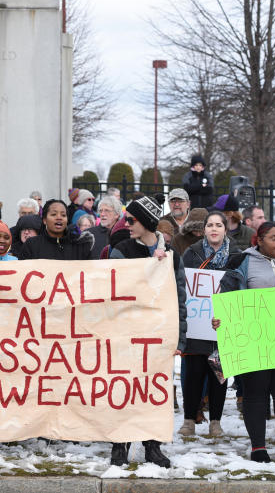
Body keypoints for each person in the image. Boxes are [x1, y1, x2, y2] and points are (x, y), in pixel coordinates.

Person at [215, 221, 275, 466]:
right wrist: (220, 319)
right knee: (255, 395)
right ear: (259, 240)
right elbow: (225, 299)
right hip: (255, 343)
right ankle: (258, 446)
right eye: (274, 238)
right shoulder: (242, 264)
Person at [108, 196, 186, 468]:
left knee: (154, 390)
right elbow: (112, 293)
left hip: (158, 335)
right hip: (126, 334)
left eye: (131, 220)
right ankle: (120, 444)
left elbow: (179, 298)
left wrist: (180, 338)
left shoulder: (172, 255)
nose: (126, 224)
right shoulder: (121, 250)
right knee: (124, 388)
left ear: (148, 223)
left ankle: (152, 445)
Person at [179, 211, 231, 438]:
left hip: (223, 326)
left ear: (225, 229)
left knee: (219, 375)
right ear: (204, 229)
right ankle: (189, 419)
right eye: (210, 225)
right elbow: (182, 282)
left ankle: (216, 422)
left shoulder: (236, 256)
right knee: (193, 375)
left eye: (218, 225)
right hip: (197, 327)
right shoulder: (192, 254)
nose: (214, 229)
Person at [19, 199, 93, 261]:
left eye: (63, 215)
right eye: (53, 214)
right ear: (44, 220)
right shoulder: (31, 245)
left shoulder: (80, 244)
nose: (59, 218)